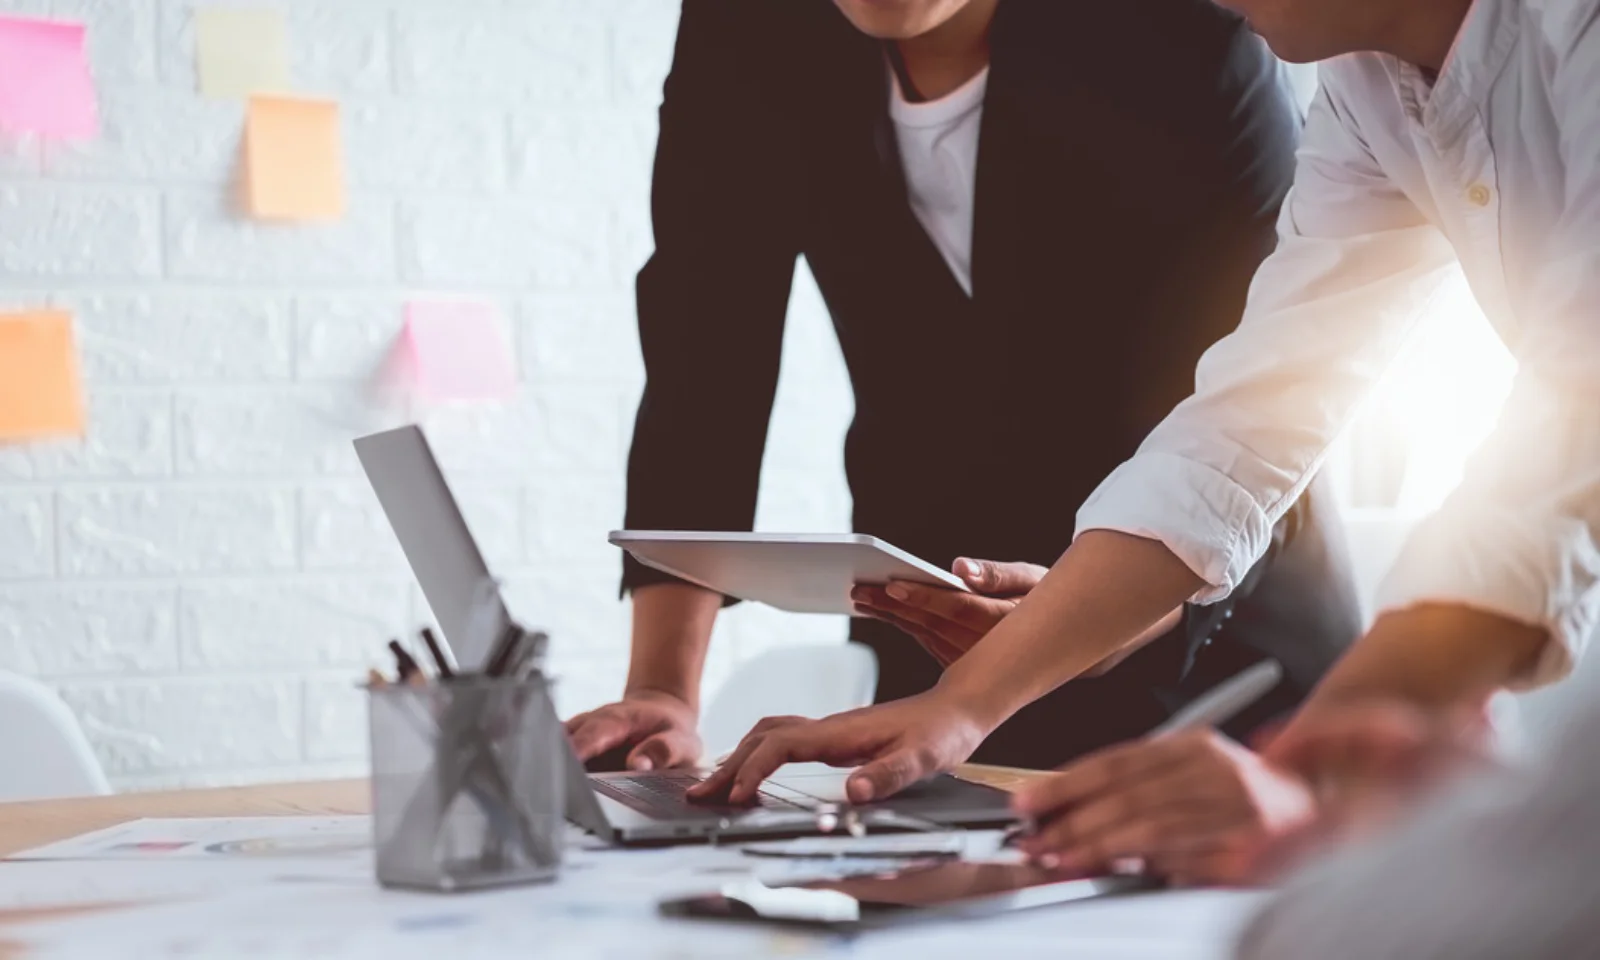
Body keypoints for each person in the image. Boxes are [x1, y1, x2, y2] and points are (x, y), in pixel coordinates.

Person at [696, 0, 1600, 885]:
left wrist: (1328, 753)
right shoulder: (1360, 96)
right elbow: (1246, 427)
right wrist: (955, 711)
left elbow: (1576, 419)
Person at [566, 0, 1363, 775]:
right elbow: (705, 353)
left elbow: (1265, 401)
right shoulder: (746, 26)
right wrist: (664, 690)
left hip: (1211, 642)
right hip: (937, 638)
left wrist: (1090, 623)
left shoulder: (1192, 32)